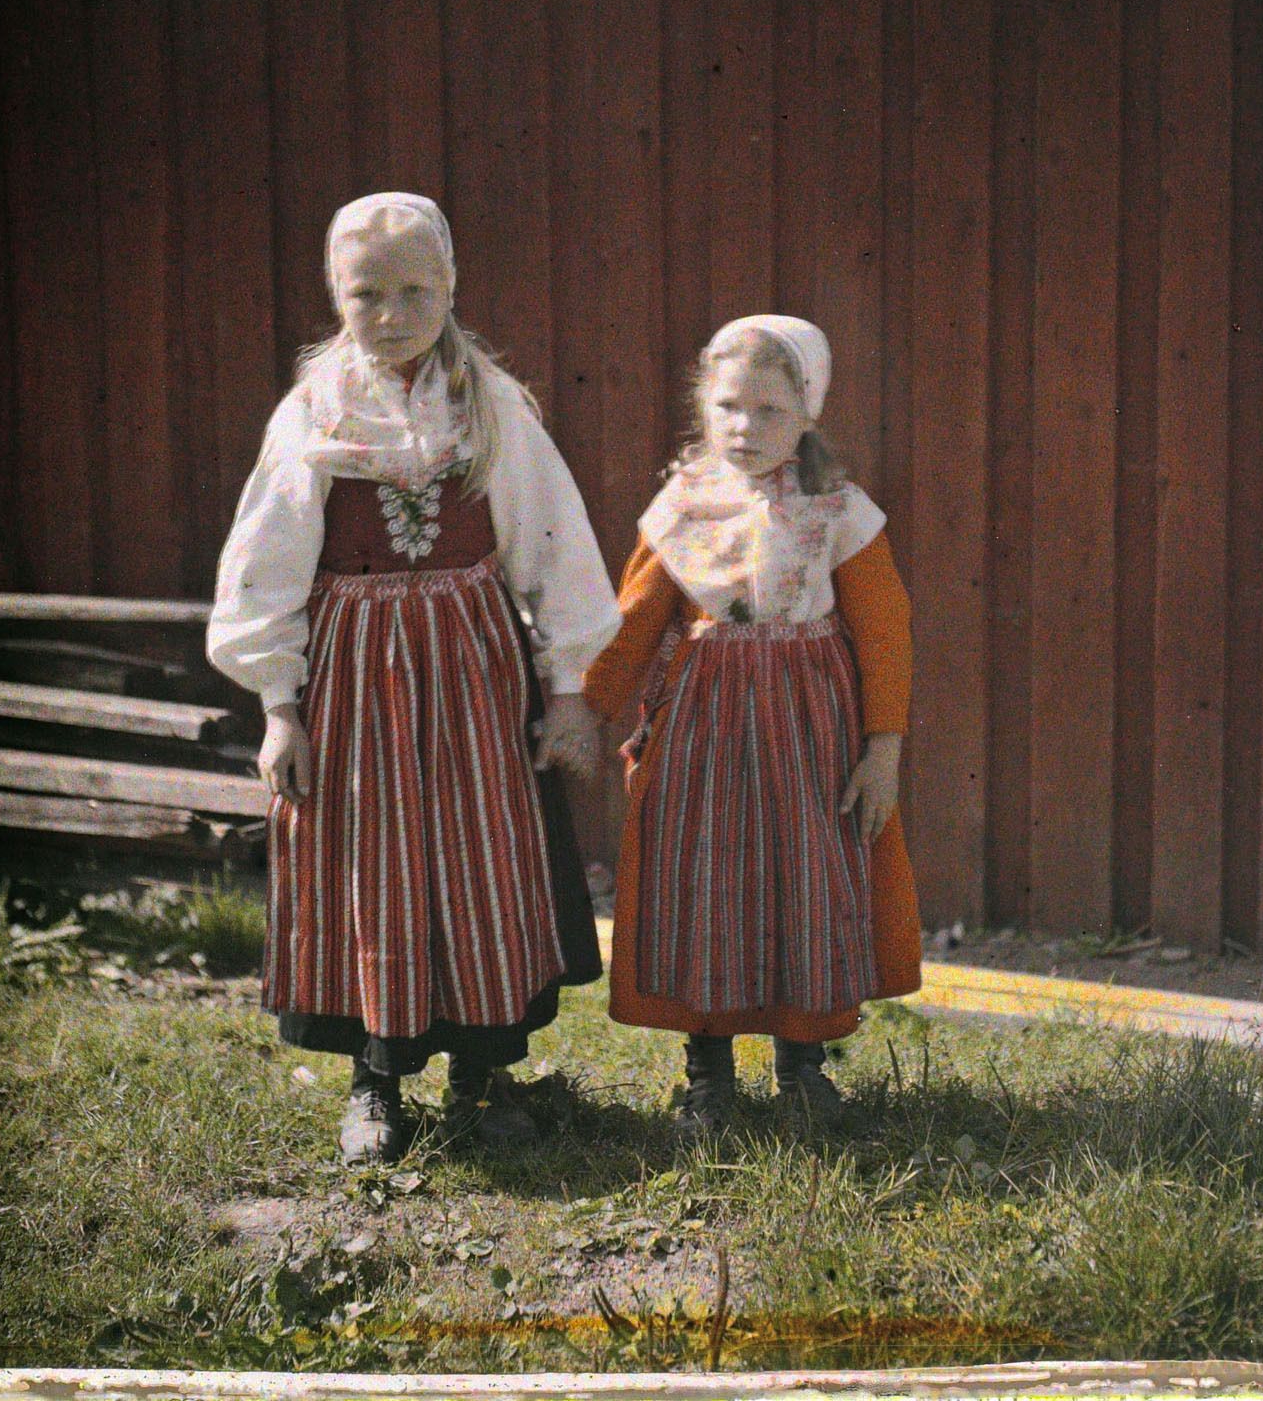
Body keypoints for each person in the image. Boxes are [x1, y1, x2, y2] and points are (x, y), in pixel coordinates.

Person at [207, 192, 620, 1165]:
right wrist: (279, 706)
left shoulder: (489, 405)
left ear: (449, 288)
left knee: (481, 854)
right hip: (355, 680)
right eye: (366, 293)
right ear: (334, 296)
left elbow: (553, 542)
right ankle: (375, 1080)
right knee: (371, 863)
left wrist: (565, 687)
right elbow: (264, 568)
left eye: (413, 290)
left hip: (475, 672)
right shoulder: (313, 415)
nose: (391, 313)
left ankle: (485, 1071)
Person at [583, 314, 920, 1134]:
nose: (744, 427)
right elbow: (632, 622)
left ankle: (802, 1068)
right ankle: (707, 1075)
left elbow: (883, 632)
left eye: (769, 411)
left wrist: (882, 749)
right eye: (728, 405)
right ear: (704, 405)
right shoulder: (682, 509)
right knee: (705, 882)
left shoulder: (839, 511)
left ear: (809, 413)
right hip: (703, 729)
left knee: (804, 880)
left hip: (811, 734)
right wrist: (581, 708)